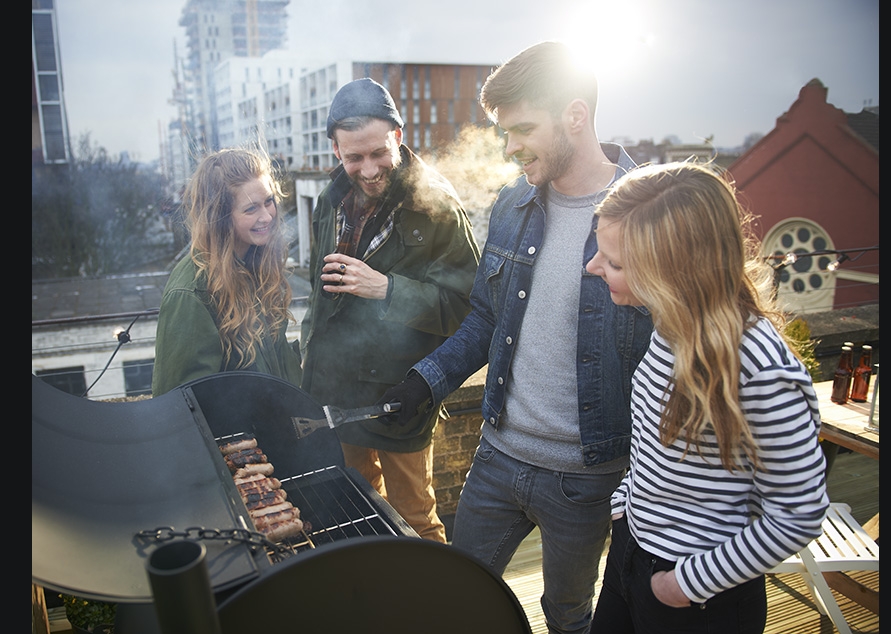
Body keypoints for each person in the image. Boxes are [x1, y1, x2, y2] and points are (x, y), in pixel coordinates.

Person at [381, 42, 653, 633]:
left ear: (575, 116)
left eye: (523, 128)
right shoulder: (513, 205)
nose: (509, 148)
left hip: (587, 478)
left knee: (566, 614)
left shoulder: (649, 214)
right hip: (498, 457)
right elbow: (484, 319)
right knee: (457, 595)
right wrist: (424, 381)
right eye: (503, 133)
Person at [585, 162, 830, 634]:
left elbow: (799, 514)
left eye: (614, 262)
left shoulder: (760, 370)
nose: (593, 267)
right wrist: (625, 508)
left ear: (672, 273)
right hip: (632, 554)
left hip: (698, 600)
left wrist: (685, 584)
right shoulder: (668, 326)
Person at [299, 78, 480, 543]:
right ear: (335, 151)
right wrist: (309, 372)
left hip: (399, 396)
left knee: (415, 520)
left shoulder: (436, 205)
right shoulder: (327, 201)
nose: (369, 168)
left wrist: (386, 288)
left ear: (397, 137)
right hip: (336, 391)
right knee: (355, 508)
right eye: (354, 157)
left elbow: (470, 308)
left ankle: (437, 612)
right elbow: (320, 301)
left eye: (379, 152)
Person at [152, 147, 302, 396]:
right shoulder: (190, 294)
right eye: (251, 209)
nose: (267, 216)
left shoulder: (256, 262)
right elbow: (180, 403)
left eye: (269, 202)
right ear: (220, 217)